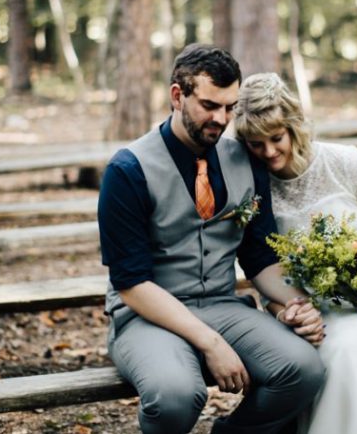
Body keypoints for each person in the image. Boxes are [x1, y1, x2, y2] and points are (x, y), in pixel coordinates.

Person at [97, 45, 325, 434]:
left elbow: (259, 258)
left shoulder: (246, 160)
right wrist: (211, 343)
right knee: (176, 396)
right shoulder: (127, 170)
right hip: (146, 317)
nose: (221, 119)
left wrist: (296, 304)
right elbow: (131, 284)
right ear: (177, 95)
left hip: (221, 305)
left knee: (303, 370)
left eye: (229, 107)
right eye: (208, 105)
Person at [233, 72, 357, 434]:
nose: (269, 152)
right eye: (256, 144)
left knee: (349, 349)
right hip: (305, 309)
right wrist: (285, 310)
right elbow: (262, 269)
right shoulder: (254, 188)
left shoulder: (345, 162)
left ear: (293, 127)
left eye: (276, 138)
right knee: (317, 352)